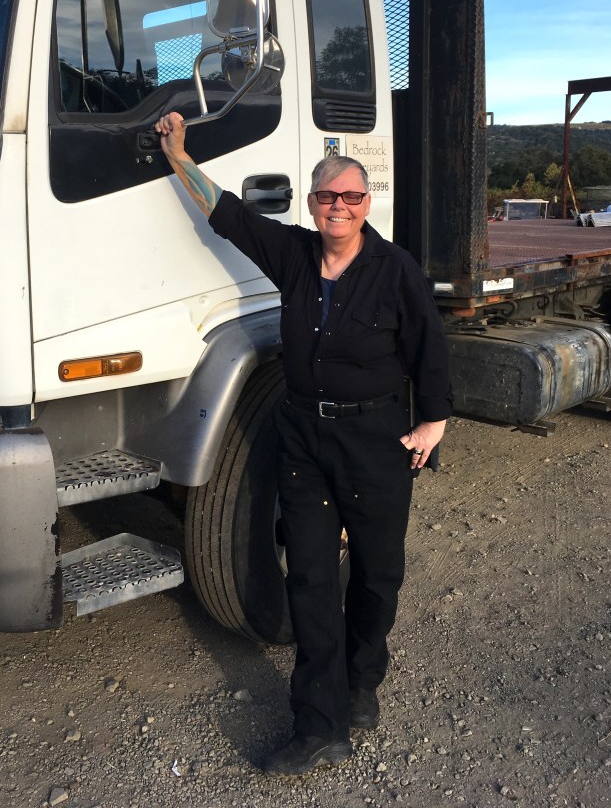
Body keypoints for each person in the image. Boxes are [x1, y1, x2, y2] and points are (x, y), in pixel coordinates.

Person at [154, 112, 451, 776]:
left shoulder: (396, 271)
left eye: (350, 196)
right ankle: (319, 724)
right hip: (304, 438)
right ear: (313, 203)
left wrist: (433, 422)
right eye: (326, 196)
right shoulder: (292, 253)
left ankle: (362, 682)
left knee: (376, 573)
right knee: (312, 579)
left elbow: (429, 349)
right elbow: (226, 214)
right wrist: (178, 155)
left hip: (375, 440)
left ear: (366, 203)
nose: (338, 206)